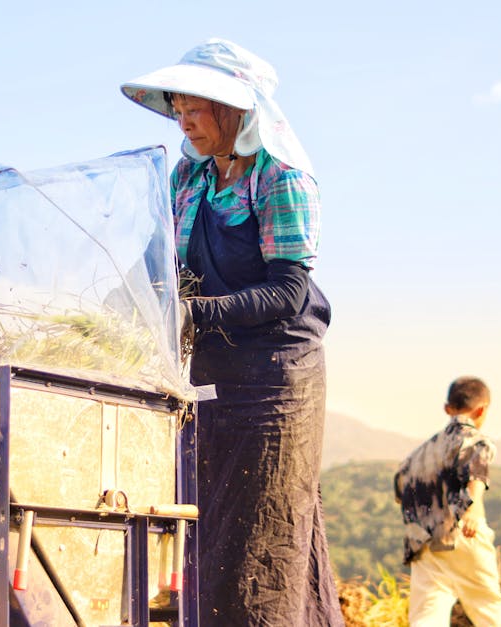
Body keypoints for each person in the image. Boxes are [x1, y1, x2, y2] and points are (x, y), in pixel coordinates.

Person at [121, 38, 344, 626]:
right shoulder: (188, 177)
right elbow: (159, 260)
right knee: (207, 526)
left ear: (237, 111)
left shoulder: (280, 179)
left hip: (274, 383)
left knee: (262, 530)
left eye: (196, 108)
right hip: (209, 376)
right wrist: (125, 303)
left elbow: (288, 292)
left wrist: (196, 315)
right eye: (178, 107)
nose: (184, 121)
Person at [393, 376, 501, 626]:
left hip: (423, 542)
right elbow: (477, 473)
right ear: (482, 409)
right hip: (462, 534)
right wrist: (474, 510)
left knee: (427, 615)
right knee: (488, 607)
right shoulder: (475, 441)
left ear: (448, 409)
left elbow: (399, 490)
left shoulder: (417, 455)